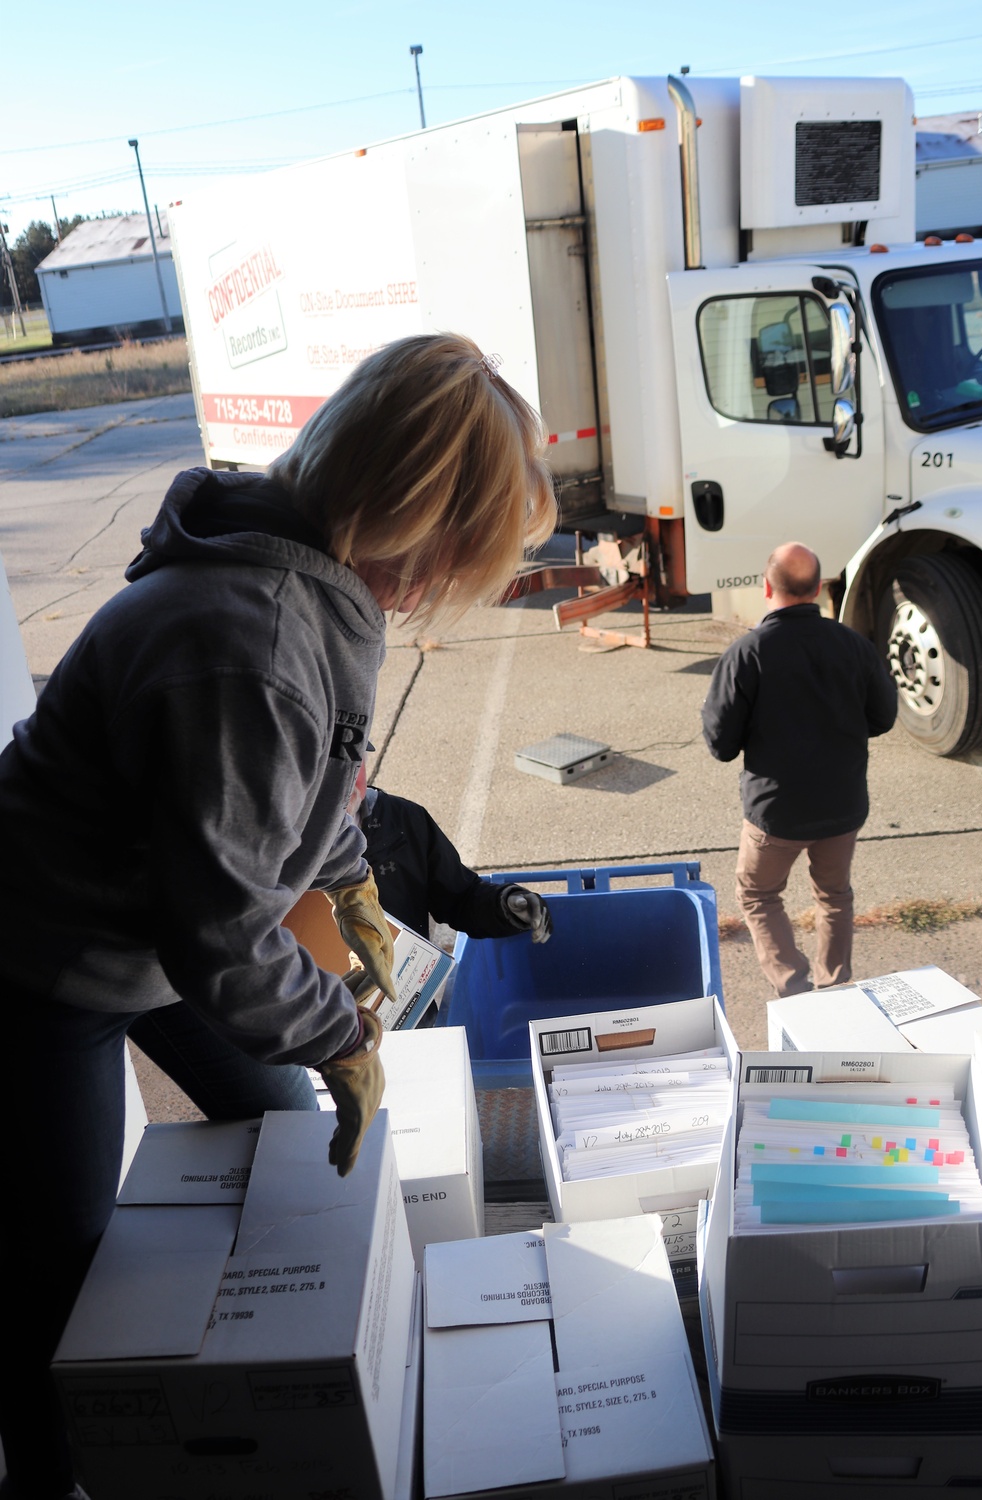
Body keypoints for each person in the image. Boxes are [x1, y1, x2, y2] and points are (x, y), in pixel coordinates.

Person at [0, 333, 555, 1500]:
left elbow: (313, 794)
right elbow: (226, 938)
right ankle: (62, 1471)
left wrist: (351, 891)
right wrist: (339, 1031)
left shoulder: (315, 581)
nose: (451, 584)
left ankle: (294, 1379)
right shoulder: (244, 643)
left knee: (283, 1137)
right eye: (462, 552)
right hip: (44, 958)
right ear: (410, 516)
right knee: (67, 1268)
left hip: (155, 934)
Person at [701, 541, 897, 998]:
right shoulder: (854, 645)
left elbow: (721, 745)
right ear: (819, 588)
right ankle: (835, 987)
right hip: (842, 807)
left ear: (767, 587)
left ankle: (793, 989)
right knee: (834, 895)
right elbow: (883, 718)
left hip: (776, 814)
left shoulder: (747, 654)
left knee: (758, 894)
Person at [350, 752, 553, 944]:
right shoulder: (317, 856)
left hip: (405, 976)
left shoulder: (400, 819)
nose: (346, 779)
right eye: (328, 768)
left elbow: (458, 896)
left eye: (355, 762)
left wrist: (504, 905)